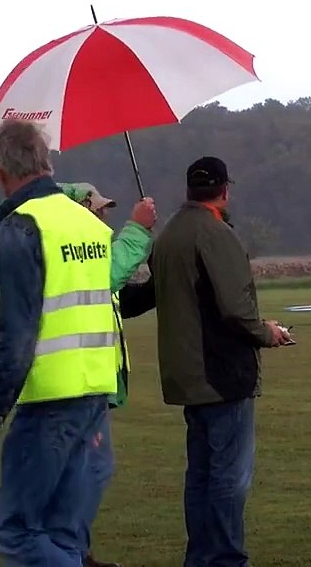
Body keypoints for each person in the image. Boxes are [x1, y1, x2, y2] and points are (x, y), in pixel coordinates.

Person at [116, 156, 287, 566]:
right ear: (225, 190)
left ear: (189, 189)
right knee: (229, 477)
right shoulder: (216, 234)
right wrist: (267, 332)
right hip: (221, 374)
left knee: (201, 475)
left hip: (186, 376)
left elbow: (144, 297)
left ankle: (201, 557)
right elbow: (236, 309)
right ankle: (226, 559)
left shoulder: (169, 235)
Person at [0, 120, 121, 564]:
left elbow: (18, 337)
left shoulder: (21, 227)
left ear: (1, 172)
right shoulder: (88, 224)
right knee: (64, 534)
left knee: (17, 534)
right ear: (45, 163)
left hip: (48, 399)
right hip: (96, 392)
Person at [58, 182, 158, 567]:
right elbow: (108, 276)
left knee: (85, 471)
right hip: (78, 383)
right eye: (98, 209)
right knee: (89, 470)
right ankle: (69, 554)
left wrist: (159, 278)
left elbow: (124, 300)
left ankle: (76, 552)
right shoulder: (79, 259)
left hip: (88, 383)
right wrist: (138, 230)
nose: (104, 216)